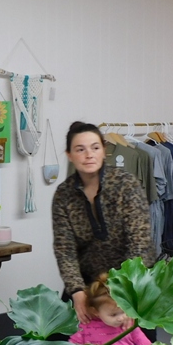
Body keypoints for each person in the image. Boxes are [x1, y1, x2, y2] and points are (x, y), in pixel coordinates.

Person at [52, 121, 155, 324]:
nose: (89, 155)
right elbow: (65, 249)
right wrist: (77, 291)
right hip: (88, 285)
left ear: (104, 151)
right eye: (80, 149)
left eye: (95, 148)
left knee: (135, 341)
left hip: (131, 283)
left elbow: (140, 243)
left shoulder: (126, 185)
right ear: (69, 155)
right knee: (63, 338)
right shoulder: (64, 194)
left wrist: (127, 294)